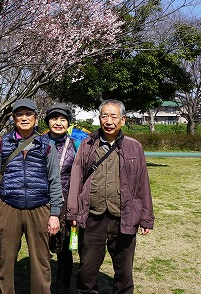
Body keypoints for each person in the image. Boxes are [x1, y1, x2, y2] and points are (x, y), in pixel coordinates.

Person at [67, 99, 154, 294]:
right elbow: (76, 179)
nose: (109, 120)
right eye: (104, 116)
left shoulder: (134, 147)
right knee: (87, 270)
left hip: (124, 217)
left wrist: (146, 219)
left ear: (122, 120)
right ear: (99, 119)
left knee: (124, 272)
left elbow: (142, 184)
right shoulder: (87, 144)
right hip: (93, 217)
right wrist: (73, 213)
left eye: (114, 116)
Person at [0, 98, 63, 294]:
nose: (24, 118)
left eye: (28, 114)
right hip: (8, 206)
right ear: (13, 118)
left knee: (41, 262)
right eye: (19, 114)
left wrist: (55, 213)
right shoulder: (2, 143)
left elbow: (55, 180)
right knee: (6, 259)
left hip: (40, 208)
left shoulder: (47, 145)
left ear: (36, 118)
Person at [42, 103, 76, 293]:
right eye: (54, 118)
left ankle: (63, 287)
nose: (58, 123)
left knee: (65, 248)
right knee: (41, 246)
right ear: (48, 121)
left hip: (66, 200)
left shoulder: (75, 144)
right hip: (41, 199)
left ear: (68, 123)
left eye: (62, 119)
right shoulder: (39, 142)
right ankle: (42, 285)